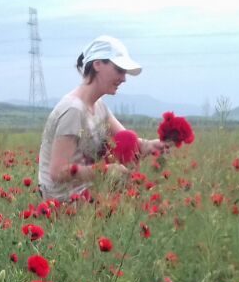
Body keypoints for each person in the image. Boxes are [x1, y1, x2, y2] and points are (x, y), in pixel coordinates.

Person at [37, 35, 169, 202]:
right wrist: (105, 170)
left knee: (128, 139)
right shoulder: (73, 110)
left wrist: (150, 145)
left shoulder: (99, 106)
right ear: (98, 64)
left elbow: (128, 141)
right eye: (119, 70)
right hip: (65, 199)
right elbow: (57, 172)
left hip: (89, 189)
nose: (123, 78)